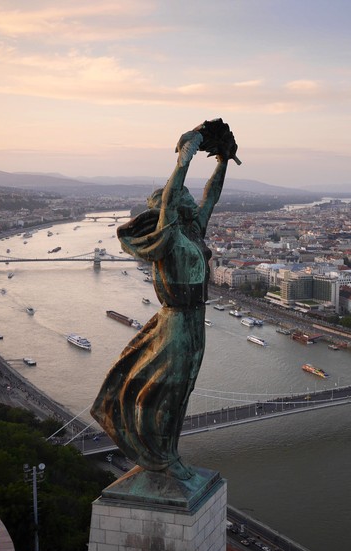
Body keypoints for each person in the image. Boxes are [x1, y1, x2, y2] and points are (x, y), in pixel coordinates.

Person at [91, 120, 237, 480]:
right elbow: (173, 197)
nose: (188, 198)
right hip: (176, 320)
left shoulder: (191, 229)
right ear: (165, 208)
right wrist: (183, 160)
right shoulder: (167, 234)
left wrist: (222, 161)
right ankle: (159, 455)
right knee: (168, 390)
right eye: (180, 196)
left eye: (187, 196)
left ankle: (168, 452)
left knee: (182, 389)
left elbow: (211, 197)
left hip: (195, 320)